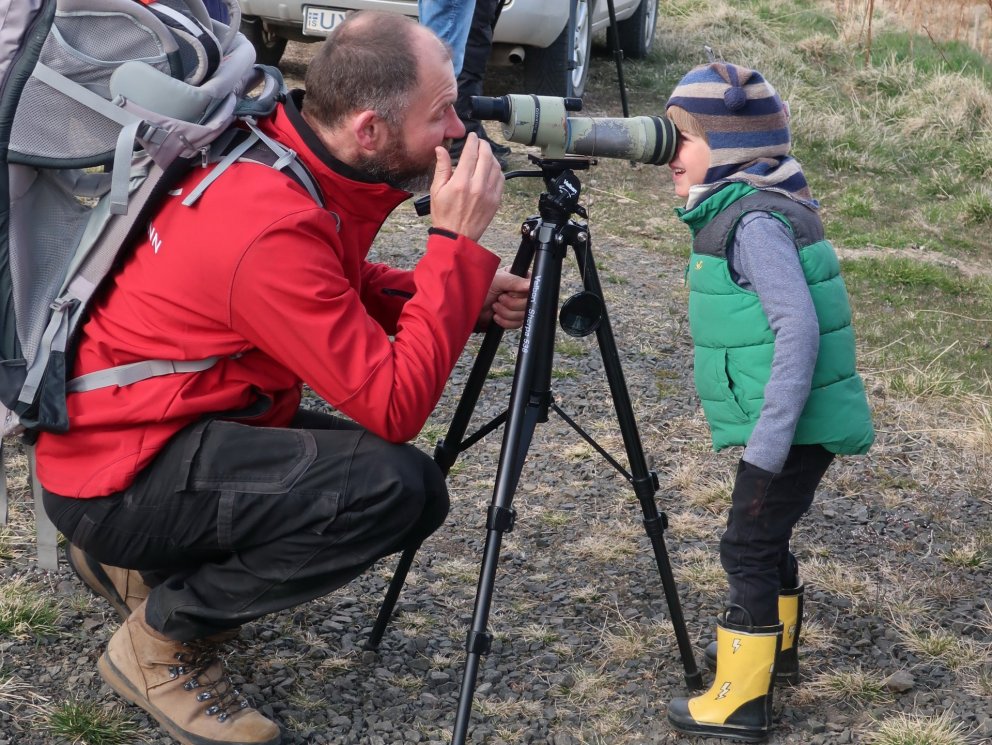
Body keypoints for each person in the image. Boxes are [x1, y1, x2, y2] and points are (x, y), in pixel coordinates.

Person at [37, 11, 529, 745]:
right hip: (119, 472)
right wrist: (452, 250)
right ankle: (157, 644)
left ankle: (127, 558)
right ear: (369, 129)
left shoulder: (279, 142)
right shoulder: (266, 222)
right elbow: (395, 406)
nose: (459, 132)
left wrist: (457, 292)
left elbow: (331, 282)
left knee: (380, 480)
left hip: (135, 428)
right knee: (395, 489)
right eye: (443, 113)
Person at [660, 62, 874, 742]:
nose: (667, 155)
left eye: (680, 139)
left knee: (744, 545)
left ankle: (740, 697)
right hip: (790, 424)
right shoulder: (754, 207)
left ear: (726, 152)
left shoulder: (754, 223)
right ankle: (777, 652)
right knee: (767, 535)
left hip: (789, 427)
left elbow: (798, 329)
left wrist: (766, 446)